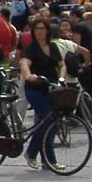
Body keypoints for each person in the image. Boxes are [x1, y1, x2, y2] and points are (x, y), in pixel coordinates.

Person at [17, 17, 61, 170]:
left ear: (48, 30)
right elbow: (24, 63)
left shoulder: (53, 46)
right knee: (48, 119)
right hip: (35, 89)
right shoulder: (32, 48)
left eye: (42, 28)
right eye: (36, 29)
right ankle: (33, 153)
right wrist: (28, 75)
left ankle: (47, 161)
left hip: (50, 88)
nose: (39, 31)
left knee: (49, 123)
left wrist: (62, 77)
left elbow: (61, 64)